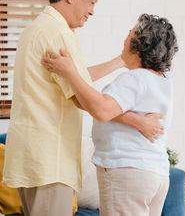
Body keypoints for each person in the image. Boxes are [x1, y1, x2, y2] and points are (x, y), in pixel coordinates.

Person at [2, 0, 163, 216]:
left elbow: (75, 77)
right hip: (50, 162)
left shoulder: (39, 28)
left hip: (34, 159)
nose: (92, 11)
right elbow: (84, 99)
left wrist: (119, 61)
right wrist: (138, 121)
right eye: (91, 2)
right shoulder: (60, 34)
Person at [42, 13, 178, 216]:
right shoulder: (162, 80)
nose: (125, 38)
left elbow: (101, 109)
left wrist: (70, 72)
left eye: (129, 34)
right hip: (156, 174)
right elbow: (95, 105)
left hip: (127, 172)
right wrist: (136, 120)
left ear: (138, 44)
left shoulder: (134, 79)